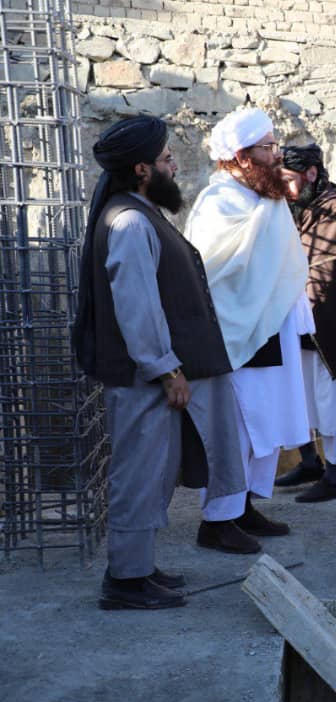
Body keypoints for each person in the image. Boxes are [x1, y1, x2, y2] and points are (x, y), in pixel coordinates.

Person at [73, 116, 245, 609]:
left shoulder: (141, 212)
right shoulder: (128, 222)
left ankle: (139, 569)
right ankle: (125, 582)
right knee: (138, 474)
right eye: (168, 158)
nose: (174, 165)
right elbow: (137, 305)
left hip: (157, 375)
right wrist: (165, 368)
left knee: (154, 473)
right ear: (143, 168)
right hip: (145, 378)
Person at [185, 107, 312, 551]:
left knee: (266, 423)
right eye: (267, 147)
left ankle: (245, 506)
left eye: (275, 145)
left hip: (270, 324)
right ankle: (216, 519)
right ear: (240, 156)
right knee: (236, 427)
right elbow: (209, 270)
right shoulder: (217, 202)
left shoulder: (265, 197)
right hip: (233, 329)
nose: (276, 155)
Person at [274, 144, 336, 503]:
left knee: (331, 400)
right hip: (298, 316)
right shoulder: (290, 206)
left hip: (335, 320)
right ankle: (310, 462)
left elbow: (311, 260)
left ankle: (335, 476)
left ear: (312, 174)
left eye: (287, 181)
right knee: (297, 394)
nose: (283, 189)